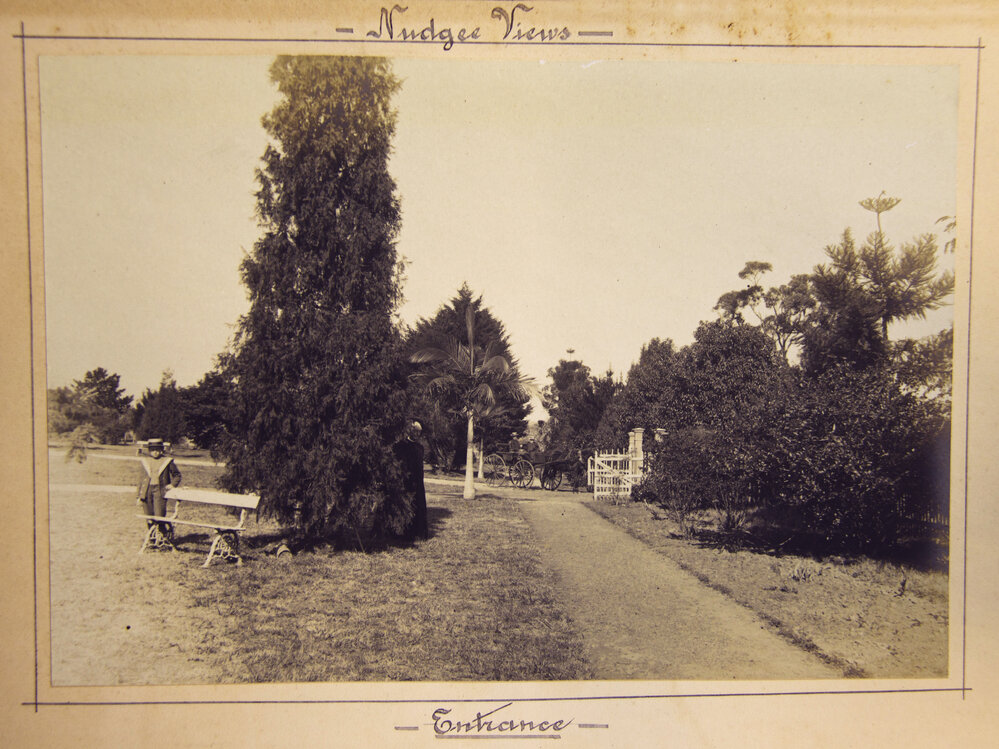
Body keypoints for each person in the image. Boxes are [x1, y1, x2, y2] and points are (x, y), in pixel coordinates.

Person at [137, 438, 182, 546]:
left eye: (158, 450)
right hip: (147, 491)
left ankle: (163, 538)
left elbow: (177, 475)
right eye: (152, 450)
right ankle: (152, 539)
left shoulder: (167, 461)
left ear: (161, 450)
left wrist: (172, 485)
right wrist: (138, 495)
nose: (155, 452)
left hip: (159, 491)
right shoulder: (146, 461)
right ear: (149, 451)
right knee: (149, 516)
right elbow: (140, 479)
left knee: (159, 515)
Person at [394, 421, 428, 542]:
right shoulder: (401, 446)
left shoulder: (420, 448)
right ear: (410, 431)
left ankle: (418, 533)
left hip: (418, 482)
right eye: (415, 431)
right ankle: (403, 533)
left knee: (418, 506)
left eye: (419, 432)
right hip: (405, 481)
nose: (417, 434)